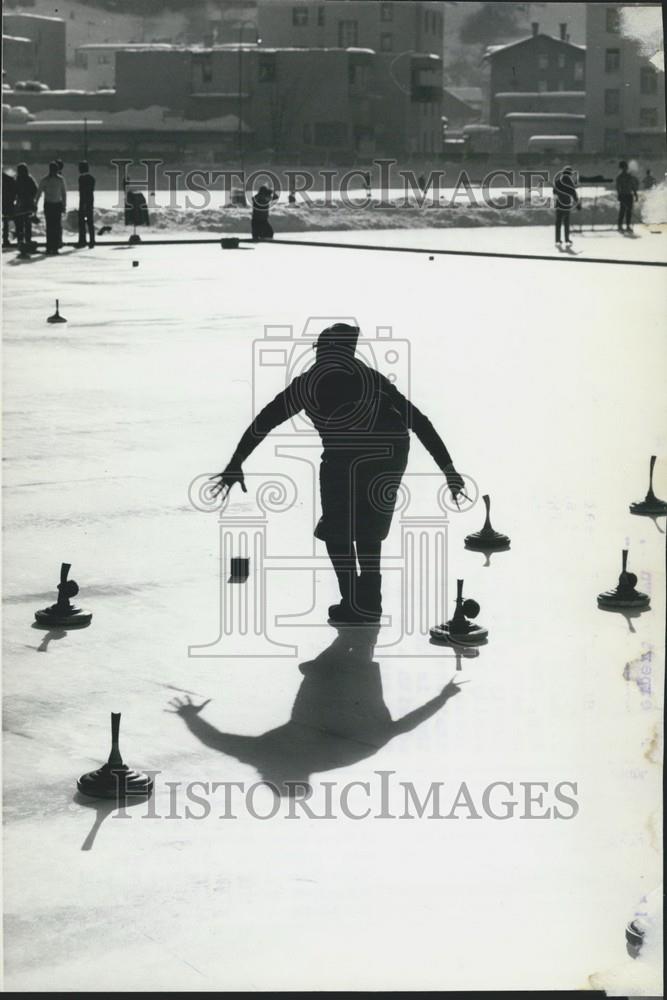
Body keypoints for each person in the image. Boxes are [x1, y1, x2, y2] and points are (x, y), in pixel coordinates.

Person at [211, 322, 465, 625]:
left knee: (339, 528)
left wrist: (236, 461)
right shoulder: (363, 379)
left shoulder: (320, 382)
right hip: (388, 450)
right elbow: (417, 420)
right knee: (366, 526)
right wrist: (447, 468)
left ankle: (356, 601)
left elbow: (267, 418)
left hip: (376, 452)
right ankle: (366, 601)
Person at [167, 627, 463, 797]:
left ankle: (351, 635)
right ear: (281, 775)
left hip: (345, 699)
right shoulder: (266, 757)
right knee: (350, 650)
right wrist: (190, 716)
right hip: (338, 701)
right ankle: (349, 636)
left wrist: (442, 698)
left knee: (358, 646)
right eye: (267, 776)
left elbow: (400, 728)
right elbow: (216, 740)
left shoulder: (268, 758)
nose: (261, 771)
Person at [36, 161, 67, 254]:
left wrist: (64, 205)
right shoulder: (58, 180)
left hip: (54, 205)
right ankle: (52, 246)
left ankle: (52, 246)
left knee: (53, 226)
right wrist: (64, 205)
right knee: (52, 226)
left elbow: (39, 193)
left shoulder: (47, 180)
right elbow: (63, 194)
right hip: (52, 205)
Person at [552, 165, 581, 246]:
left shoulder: (558, 181)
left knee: (558, 222)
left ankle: (557, 239)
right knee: (566, 222)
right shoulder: (569, 182)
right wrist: (577, 203)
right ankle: (567, 239)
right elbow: (573, 194)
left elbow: (554, 192)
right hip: (566, 204)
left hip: (559, 204)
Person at [14, 163, 38, 247]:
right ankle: (28, 240)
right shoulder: (29, 179)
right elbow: (35, 190)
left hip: (20, 204)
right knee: (28, 224)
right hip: (28, 204)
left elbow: (14, 191)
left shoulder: (17, 179)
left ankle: (20, 241)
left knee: (20, 224)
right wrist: (31, 198)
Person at [76, 160, 95, 248]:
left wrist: (83, 204)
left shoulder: (81, 179)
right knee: (90, 222)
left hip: (83, 202)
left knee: (82, 223)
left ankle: (82, 241)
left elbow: (83, 192)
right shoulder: (91, 178)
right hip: (90, 202)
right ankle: (92, 241)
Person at [616, 160, 639, 233]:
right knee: (622, 211)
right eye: (623, 167)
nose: (624, 169)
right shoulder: (619, 177)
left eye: (625, 167)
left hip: (629, 195)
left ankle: (628, 226)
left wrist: (635, 194)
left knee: (629, 212)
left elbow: (633, 186)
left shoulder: (629, 176)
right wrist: (619, 195)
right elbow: (618, 187)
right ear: (621, 168)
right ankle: (620, 226)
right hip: (623, 195)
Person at [2, 170, 17, 248]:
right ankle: (15, 235)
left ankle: (5, 239)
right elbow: (15, 191)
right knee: (15, 219)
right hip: (9, 202)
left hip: (4, 203)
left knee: (5, 221)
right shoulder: (9, 179)